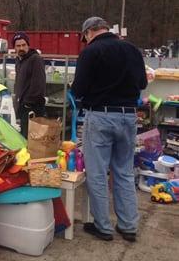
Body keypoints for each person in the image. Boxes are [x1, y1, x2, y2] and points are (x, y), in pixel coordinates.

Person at [72, 17, 147, 242]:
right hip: (128, 116)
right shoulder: (132, 50)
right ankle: (128, 226)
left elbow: (79, 88)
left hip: (101, 116)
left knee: (97, 173)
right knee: (123, 172)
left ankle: (103, 226)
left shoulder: (91, 52)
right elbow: (142, 84)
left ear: (89, 33)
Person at [12, 32, 46, 138]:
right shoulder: (19, 60)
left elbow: (39, 83)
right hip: (22, 107)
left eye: (24, 45)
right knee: (23, 138)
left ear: (28, 45)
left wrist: (28, 103)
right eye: (18, 46)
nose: (21, 48)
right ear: (14, 48)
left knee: (32, 140)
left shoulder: (35, 59)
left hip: (33, 107)